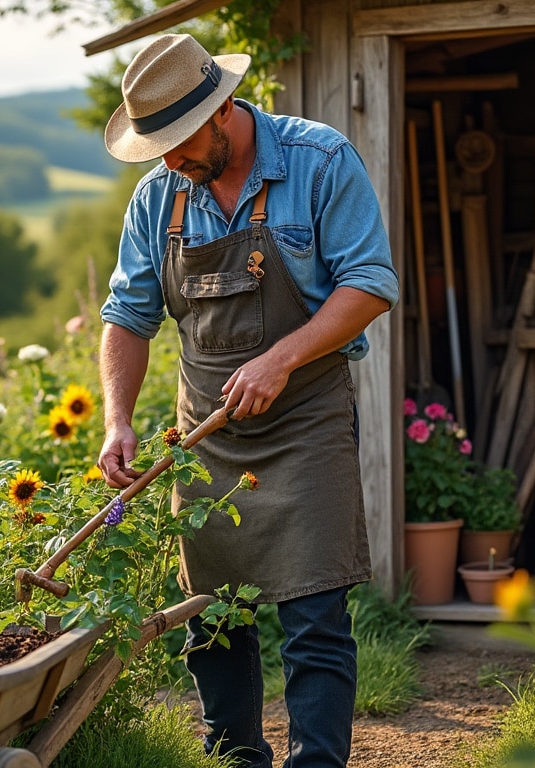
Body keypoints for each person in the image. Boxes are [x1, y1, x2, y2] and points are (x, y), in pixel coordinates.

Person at [96, 33, 399, 768]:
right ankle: (236, 760)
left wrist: (281, 359)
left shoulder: (319, 161)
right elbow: (128, 316)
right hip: (206, 433)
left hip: (306, 421)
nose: (169, 162)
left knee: (314, 614)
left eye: (178, 143)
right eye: (156, 149)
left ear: (222, 111)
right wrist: (118, 421)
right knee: (212, 618)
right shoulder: (158, 197)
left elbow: (369, 285)